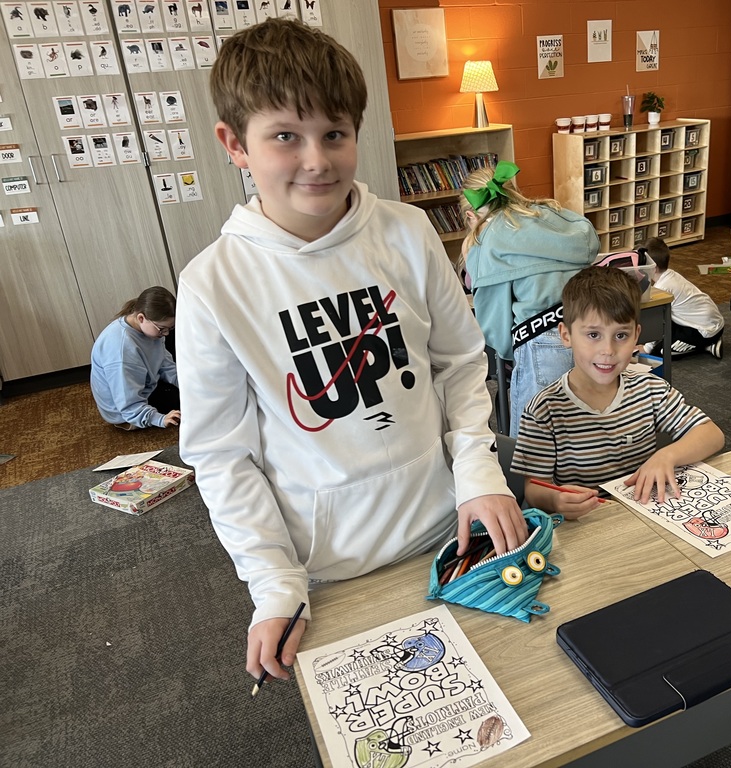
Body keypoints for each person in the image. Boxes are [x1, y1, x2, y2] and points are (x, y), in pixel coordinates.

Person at [174, 18, 526, 687]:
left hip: (446, 525)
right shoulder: (212, 285)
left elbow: (459, 361)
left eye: (335, 133)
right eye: (285, 136)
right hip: (326, 570)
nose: (317, 159)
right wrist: (273, 580)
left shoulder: (409, 231)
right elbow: (221, 455)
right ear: (234, 144)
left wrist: (478, 472)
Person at [512, 266, 724, 517]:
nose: (608, 350)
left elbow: (712, 434)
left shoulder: (650, 390)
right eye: (593, 334)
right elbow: (534, 489)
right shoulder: (543, 410)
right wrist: (556, 500)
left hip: (645, 514)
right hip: (588, 525)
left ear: (636, 336)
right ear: (566, 335)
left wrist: (666, 456)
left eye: (621, 335)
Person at [459, 161, 598, 437]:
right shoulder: (551, 213)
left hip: (543, 344)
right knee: (587, 431)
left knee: (534, 443)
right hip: (592, 331)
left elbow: (495, 327)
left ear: (471, 215)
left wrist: (511, 354)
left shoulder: (487, 240)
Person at [90, 286, 180, 430]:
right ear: (141, 318)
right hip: (127, 412)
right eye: (162, 329)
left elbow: (165, 364)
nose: (166, 333)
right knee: (192, 405)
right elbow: (128, 404)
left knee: (194, 390)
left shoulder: (148, 328)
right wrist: (160, 419)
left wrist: (185, 382)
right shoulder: (122, 349)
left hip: (146, 384)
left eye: (169, 328)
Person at [639, 237, 724, 359]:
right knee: (662, 333)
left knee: (661, 352)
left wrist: (646, 349)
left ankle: (707, 345)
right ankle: (701, 343)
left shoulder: (663, 287)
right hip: (704, 321)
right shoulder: (670, 274)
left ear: (653, 268)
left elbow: (659, 319)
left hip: (706, 331)